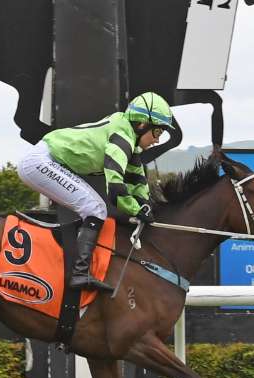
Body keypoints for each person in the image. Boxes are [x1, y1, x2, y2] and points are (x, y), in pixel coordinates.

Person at [18, 91, 174, 292]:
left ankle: (75, 266)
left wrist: (145, 205)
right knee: (95, 208)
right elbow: (116, 189)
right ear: (142, 124)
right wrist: (137, 210)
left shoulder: (128, 138)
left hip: (44, 160)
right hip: (40, 162)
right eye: (157, 132)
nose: (157, 140)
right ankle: (79, 273)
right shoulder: (122, 137)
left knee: (94, 208)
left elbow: (137, 179)